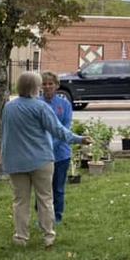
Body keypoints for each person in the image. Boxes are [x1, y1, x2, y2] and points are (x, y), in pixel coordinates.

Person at [1, 72, 89, 248]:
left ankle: (21, 237)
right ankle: (48, 235)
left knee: (20, 200)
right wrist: (80, 139)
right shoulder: (41, 108)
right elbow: (59, 131)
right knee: (45, 198)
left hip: (15, 161)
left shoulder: (9, 107)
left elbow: (6, 134)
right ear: (36, 87)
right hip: (40, 159)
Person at [40, 71, 73, 225]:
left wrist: (53, 144)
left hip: (61, 154)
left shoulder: (64, 104)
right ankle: (43, 216)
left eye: (50, 84)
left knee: (58, 188)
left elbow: (65, 127)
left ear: (57, 86)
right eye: (44, 84)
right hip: (40, 155)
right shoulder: (37, 103)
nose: (47, 87)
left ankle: (57, 216)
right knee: (42, 189)